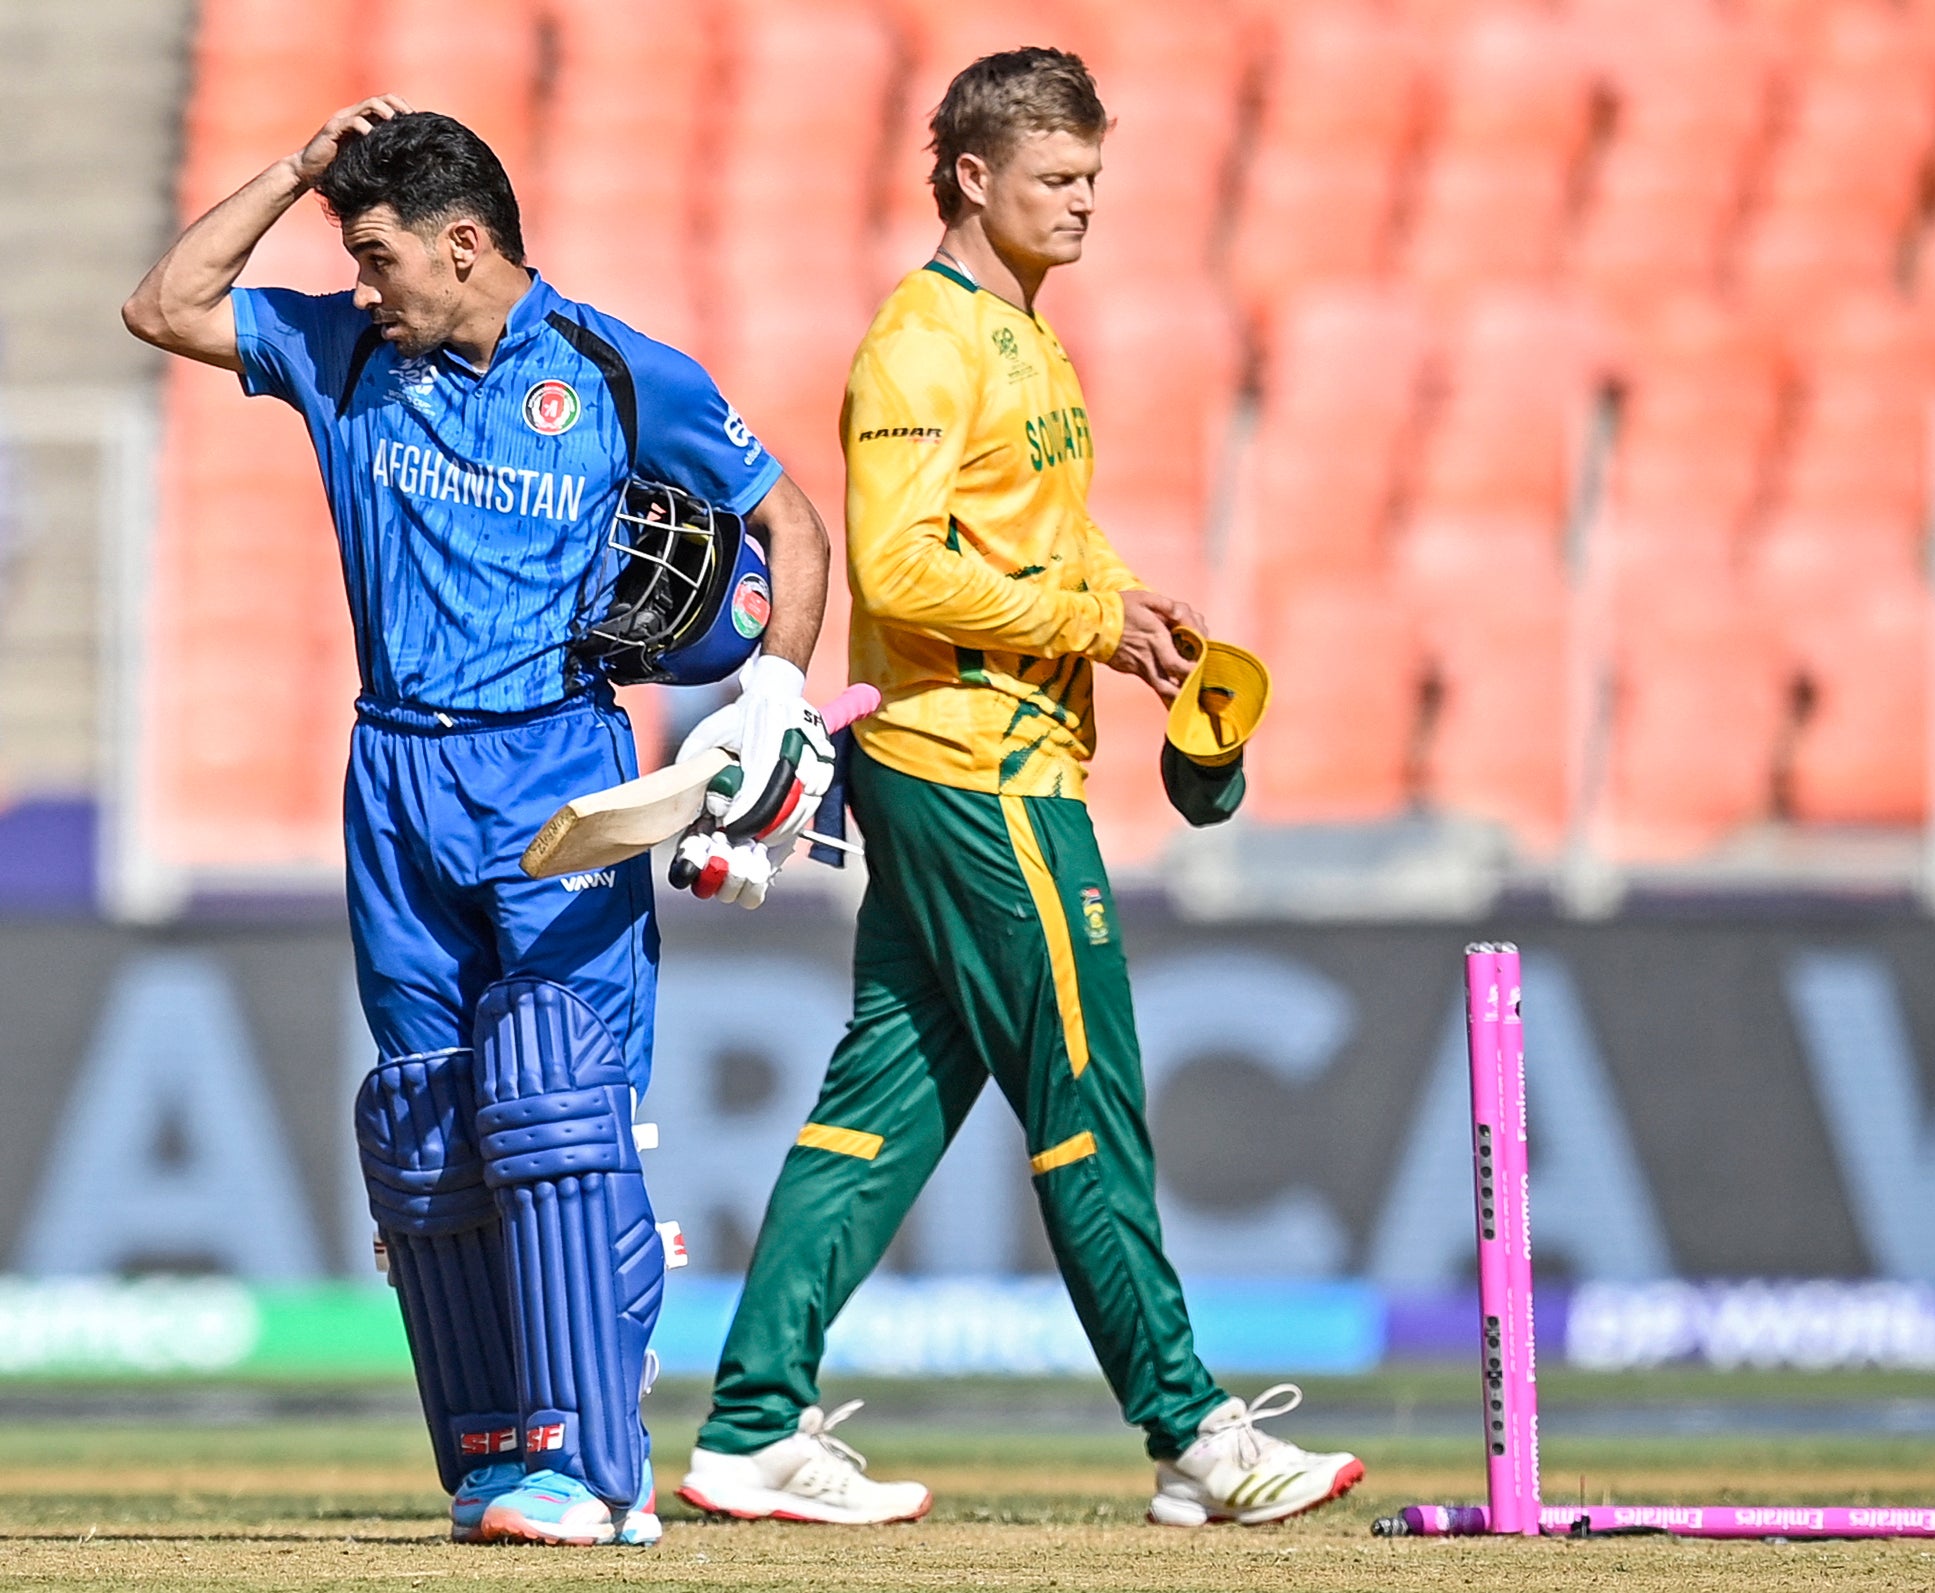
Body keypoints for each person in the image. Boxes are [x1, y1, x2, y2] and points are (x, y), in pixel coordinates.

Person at [121, 100, 837, 1547]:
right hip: (391, 775)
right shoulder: (339, 351)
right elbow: (163, 304)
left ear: (465, 244)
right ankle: (500, 1450)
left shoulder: (620, 368)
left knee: (559, 1105)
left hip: (556, 770)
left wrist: (770, 691)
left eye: (379, 255)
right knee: (434, 1118)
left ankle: (597, 1464)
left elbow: (796, 531)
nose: (363, 284)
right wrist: (297, 175)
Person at [675, 48, 1365, 1530]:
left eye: (1095, 180)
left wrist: (1127, 606)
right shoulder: (921, 345)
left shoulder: (1023, 338)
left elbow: (1028, 538)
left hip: (984, 756)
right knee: (1085, 1097)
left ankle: (747, 1425)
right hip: (977, 770)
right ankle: (1192, 1431)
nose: (1084, 206)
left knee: (885, 1103)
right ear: (971, 177)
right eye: (1058, 179)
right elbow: (903, 565)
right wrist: (1079, 622)